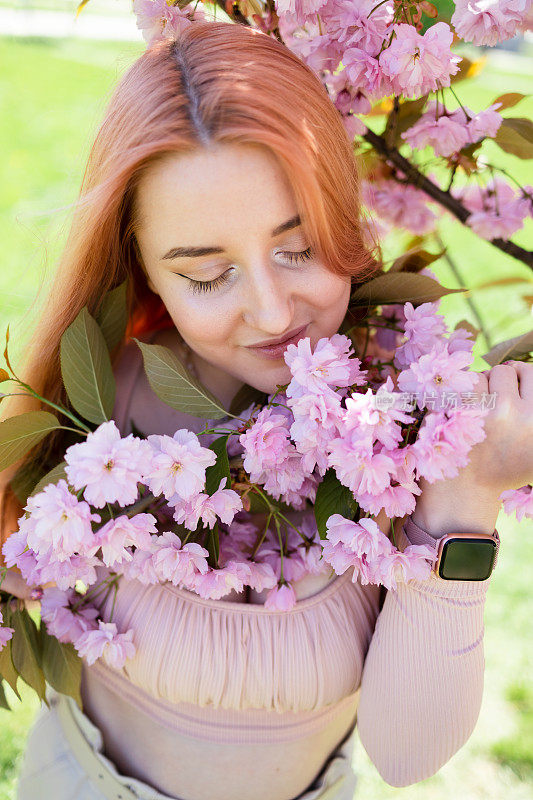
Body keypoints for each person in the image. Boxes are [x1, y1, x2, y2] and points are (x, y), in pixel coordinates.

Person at [1, 20, 531, 800]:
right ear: (142, 269)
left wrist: (461, 503)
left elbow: (408, 755)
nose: (274, 311)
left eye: (299, 247)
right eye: (208, 274)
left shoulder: (409, 418)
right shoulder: (88, 423)